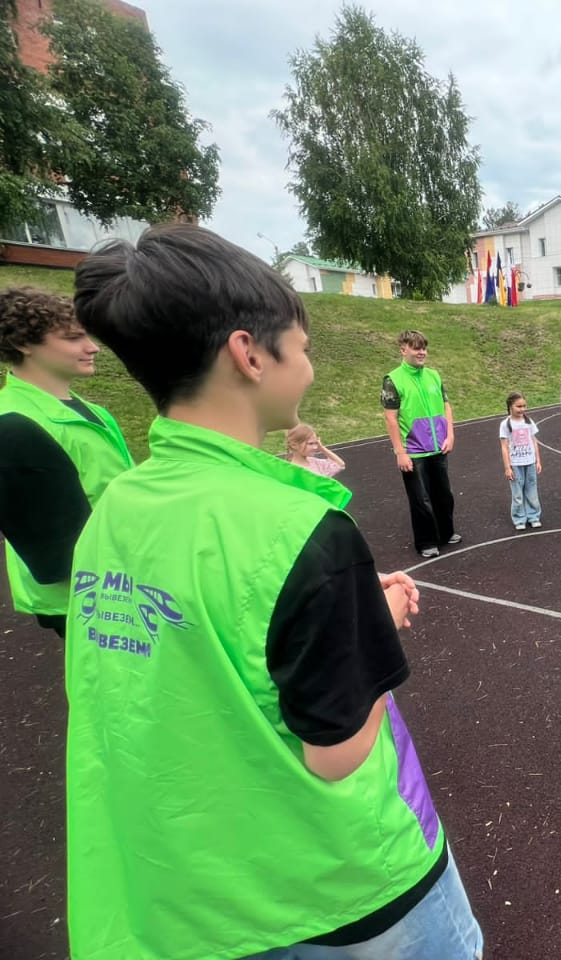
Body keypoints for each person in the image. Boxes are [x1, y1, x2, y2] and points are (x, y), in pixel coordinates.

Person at [65, 225, 483, 960]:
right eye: (302, 347)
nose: (311, 367)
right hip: (340, 892)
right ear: (249, 354)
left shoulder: (116, 509)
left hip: (186, 895)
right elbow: (337, 752)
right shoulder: (301, 531)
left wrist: (335, 606)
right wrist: (372, 618)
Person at [0, 287, 133, 637]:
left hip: (120, 578)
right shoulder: (11, 424)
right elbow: (54, 551)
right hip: (83, 596)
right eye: (74, 338)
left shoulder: (93, 411)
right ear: (24, 344)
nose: (93, 347)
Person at [382, 329, 460, 559]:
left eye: (424, 348)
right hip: (414, 451)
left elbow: (446, 406)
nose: (421, 352)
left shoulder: (433, 375)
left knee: (444, 494)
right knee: (420, 499)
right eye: (416, 348)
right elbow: (391, 418)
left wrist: (450, 435)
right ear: (403, 350)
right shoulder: (393, 380)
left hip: (439, 446)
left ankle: (446, 533)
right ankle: (426, 541)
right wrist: (400, 452)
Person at [500, 390, 543, 530]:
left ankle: (533, 516)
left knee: (532, 491)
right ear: (510, 406)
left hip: (530, 462)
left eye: (524, 406)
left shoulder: (528, 422)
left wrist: (538, 461)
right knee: (517, 494)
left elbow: (534, 442)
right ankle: (519, 519)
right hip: (515, 464)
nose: (522, 409)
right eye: (519, 406)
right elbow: (504, 447)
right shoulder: (505, 424)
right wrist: (507, 467)